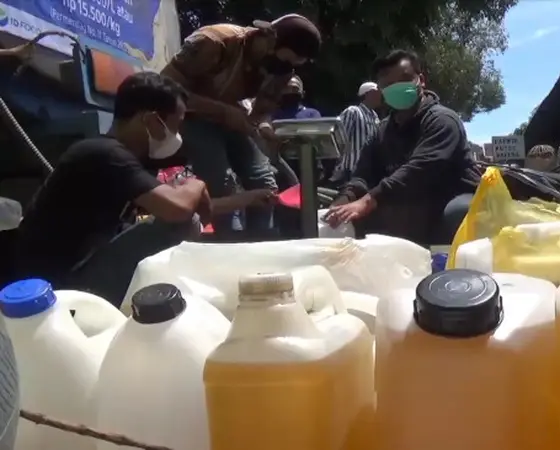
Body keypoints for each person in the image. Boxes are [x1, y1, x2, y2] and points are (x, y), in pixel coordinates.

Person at [12, 73, 274, 306]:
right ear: (151, 120)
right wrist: (198, 184)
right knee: (180, 224)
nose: (178, 134)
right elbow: (178, 209)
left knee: (179, 219)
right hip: (59, 287)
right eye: (175, 124)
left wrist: (248, 199)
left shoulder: (123, 159)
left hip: (76, 271)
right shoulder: (104, 154)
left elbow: (184, 205)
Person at [161, 14, 321, 237]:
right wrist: (223, 111)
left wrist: (262, 127)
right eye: (286, 60)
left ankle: (258, 245)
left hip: (233, 117)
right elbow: (165, 90)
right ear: (268, 37)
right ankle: (229, 244)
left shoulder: (282, 70)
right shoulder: (214, 42)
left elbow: (262, 110)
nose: (285, 68)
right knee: (221, 183)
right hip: (191, 116)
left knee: (265, 184)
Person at [324, 50, 480, 246]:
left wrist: (369, 199)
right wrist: (344, 200)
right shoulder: (381, 130)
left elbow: (420, 170)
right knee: (354, 217)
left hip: (449, 198)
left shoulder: (443, 120)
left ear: (421, 80)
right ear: (381, 91)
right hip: (406, 203)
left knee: (456, 211)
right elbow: (363, 175)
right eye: (388, 85)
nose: (397, 88)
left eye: (405, 79)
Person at [333, 81, 382, 184]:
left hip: (367, 171)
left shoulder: (375, 116)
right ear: (368, 93)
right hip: (350, 170)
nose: (381, 95)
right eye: (378, 92)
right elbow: (339, 139)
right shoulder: (353, 111)